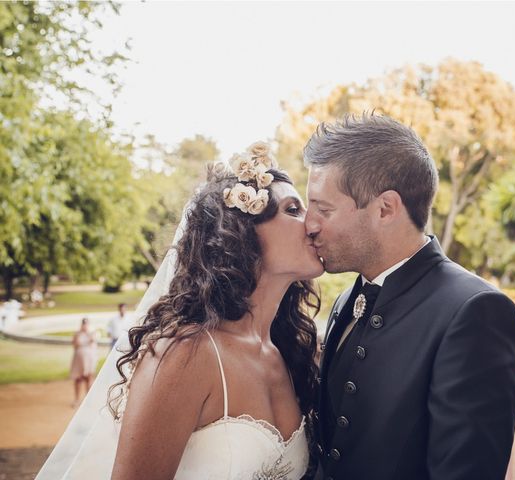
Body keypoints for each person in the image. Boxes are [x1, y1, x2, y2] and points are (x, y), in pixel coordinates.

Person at [36, 142, 323, 479]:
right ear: (242, 235)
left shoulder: (290, 353)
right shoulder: (185, 354)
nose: (312, 224)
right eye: (293, 210)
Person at [304, 113, 515, 479]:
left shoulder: (477, 311)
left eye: (323, 209)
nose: (309, 225)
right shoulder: (346, 300)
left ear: (385, 208)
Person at [70, 317, 98, 408]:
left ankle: (87, 401)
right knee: (78, 379)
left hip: (89, 360)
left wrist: (88, 334)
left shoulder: (92, 333)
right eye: (83, 324)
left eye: (86, 324)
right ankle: (77, 399)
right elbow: (75, 344)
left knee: (88, 378)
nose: (84, 325)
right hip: (79, 360)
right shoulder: (77, 334)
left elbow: (92, 341)